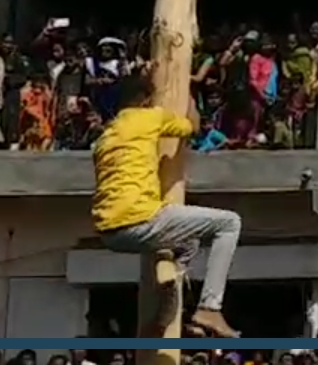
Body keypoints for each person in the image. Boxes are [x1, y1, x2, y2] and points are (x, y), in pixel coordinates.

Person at [91, 71, 243, 338]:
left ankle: (165, 314)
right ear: (146, 99)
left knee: (187, 244)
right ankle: (209, 306)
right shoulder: (149, 117)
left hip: (109, 232)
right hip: (140, 219)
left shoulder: (106, 137)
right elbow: (192, 128)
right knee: (230, 223)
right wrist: (189, 97)